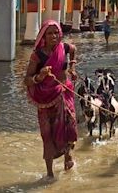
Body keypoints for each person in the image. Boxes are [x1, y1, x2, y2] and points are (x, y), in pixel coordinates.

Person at [24, 19, 78, 179]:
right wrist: (39, 77)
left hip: (64, 92)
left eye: (56, 33)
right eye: (50, 34)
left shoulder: (64, 48)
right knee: (47, 135)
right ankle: (49, 174)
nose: (54, 36)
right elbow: (26, 79)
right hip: (45, 98)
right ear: (43, 36)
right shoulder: (37, 55)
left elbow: (74, 49)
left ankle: (68, 158)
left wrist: (72, 67)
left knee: (69, 126)